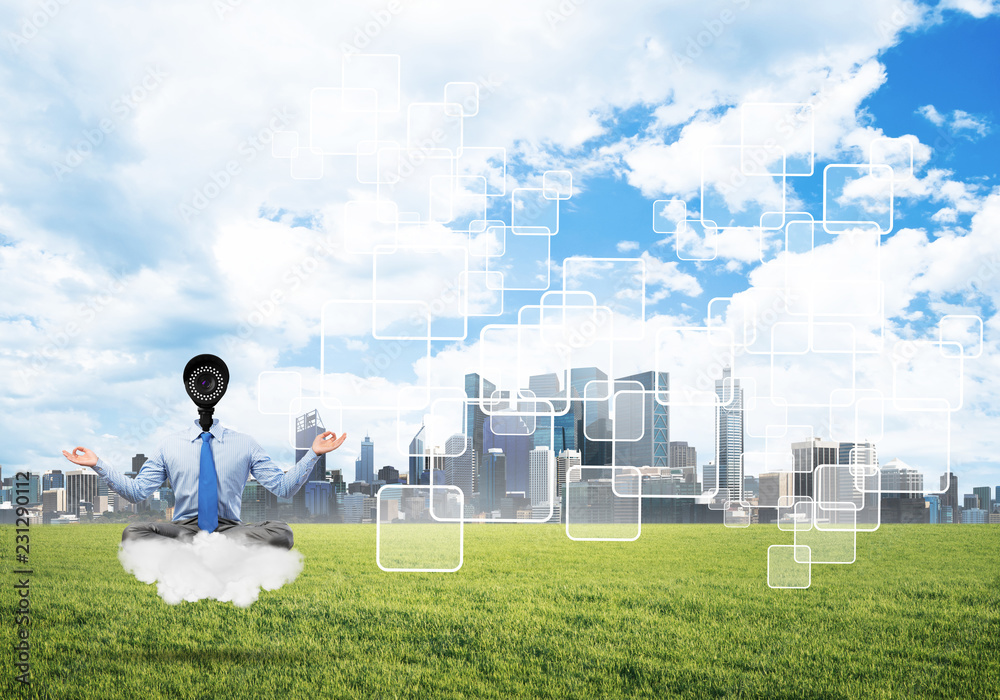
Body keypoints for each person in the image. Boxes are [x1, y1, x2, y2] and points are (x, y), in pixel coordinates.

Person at [62, 420, 347, 549]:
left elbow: (283, 488)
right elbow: (137, 493)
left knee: (282, 533)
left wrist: (313, 454)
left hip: (229, 527)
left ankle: (207, 546)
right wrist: (98, 464)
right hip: (183, 526)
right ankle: (206, 547)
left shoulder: (244, 444)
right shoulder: (170, 444)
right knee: (132, 533)